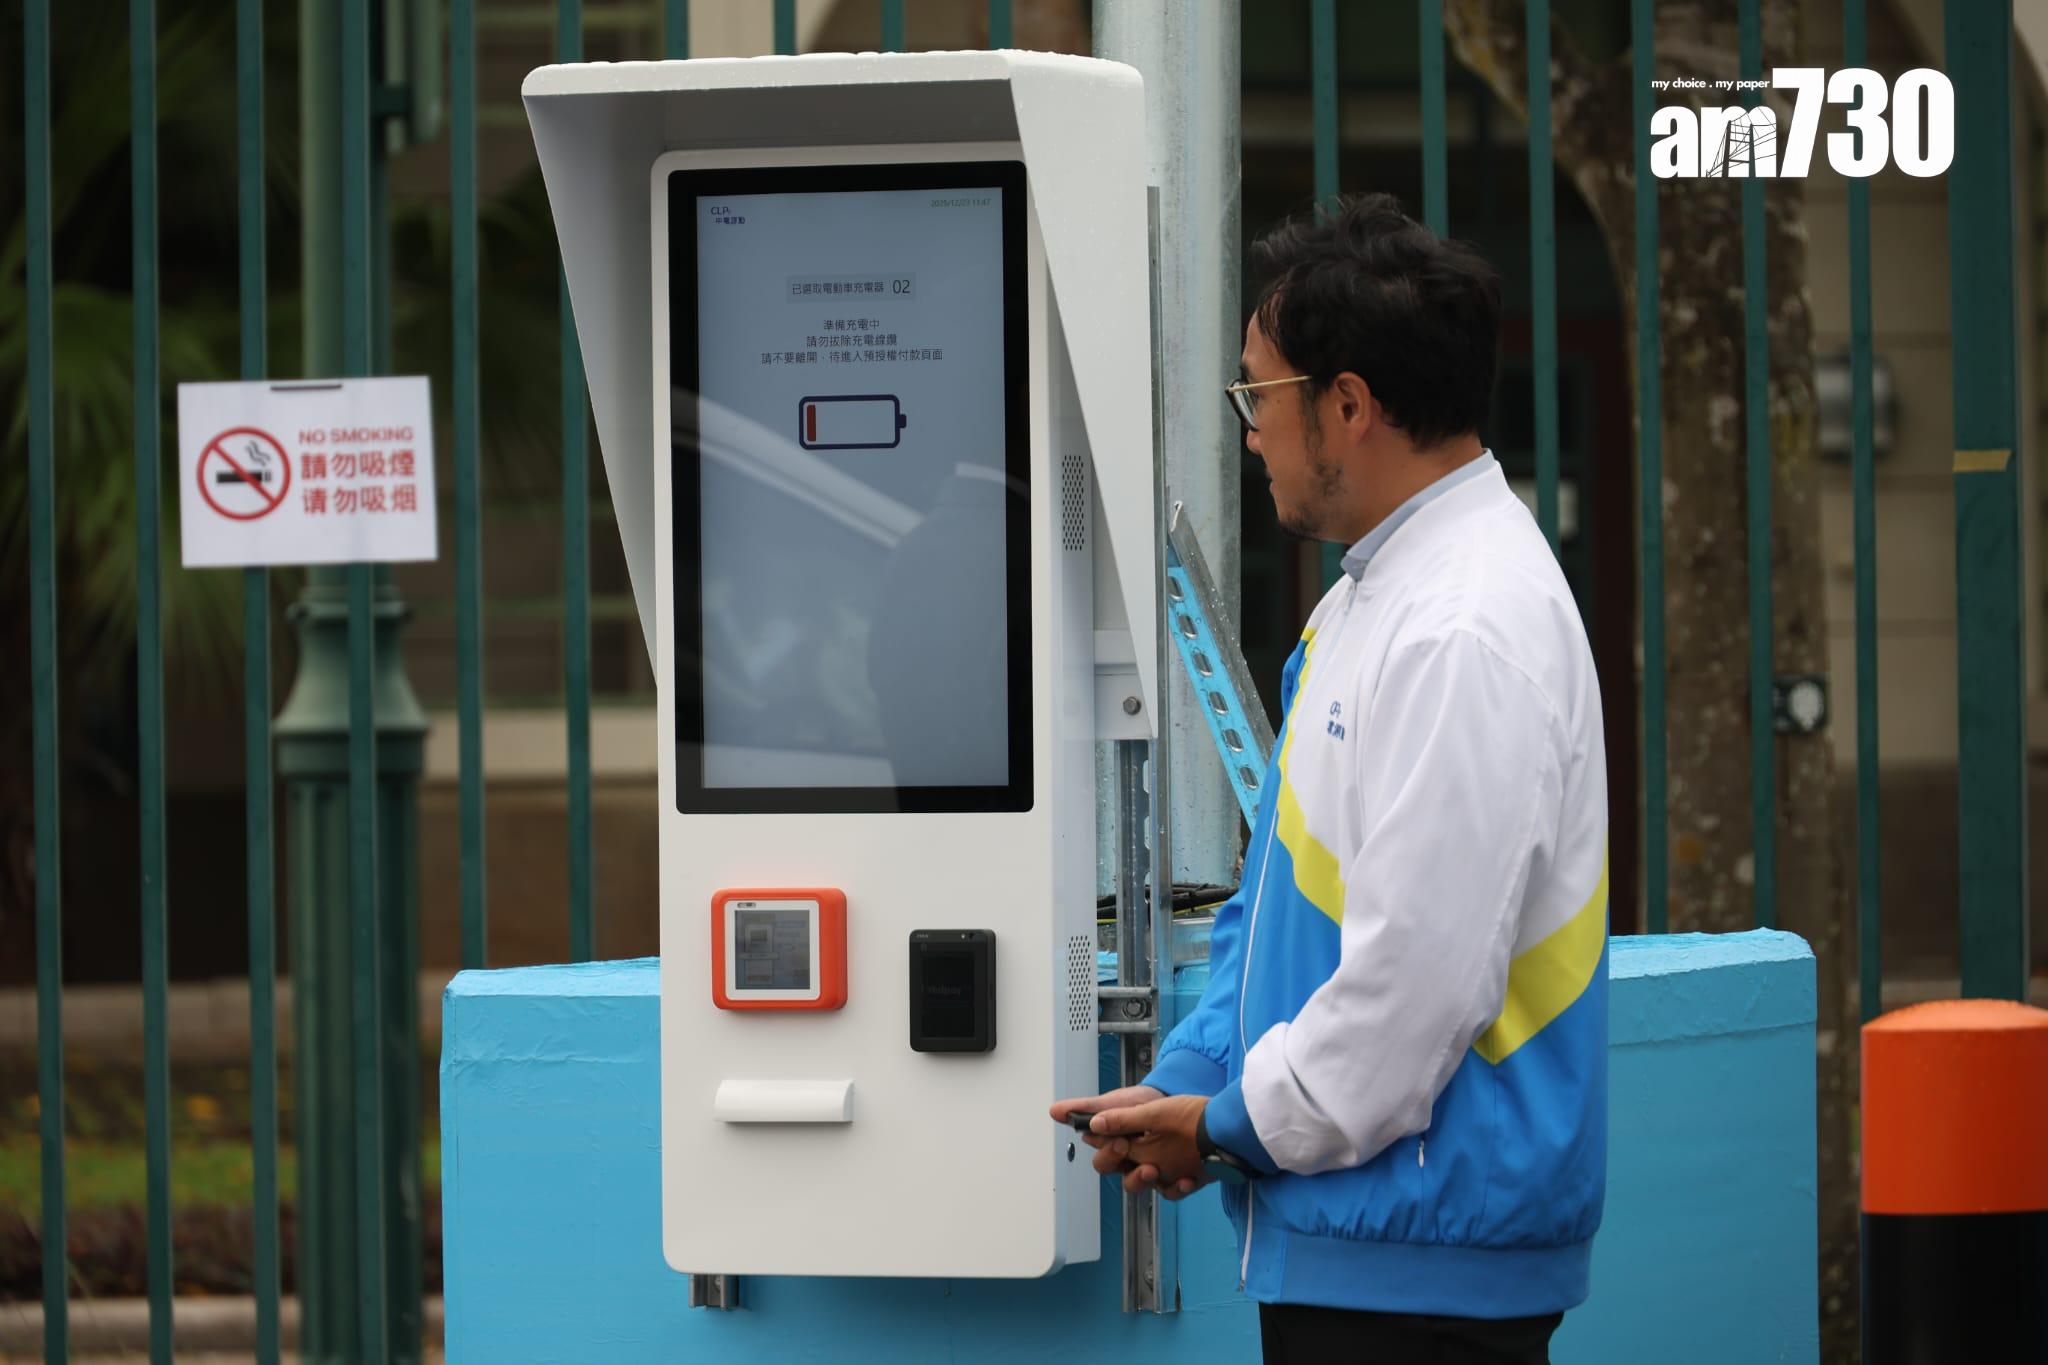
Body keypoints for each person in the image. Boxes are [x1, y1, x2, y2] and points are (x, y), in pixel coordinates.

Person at [1051, 193, 1609, 1365]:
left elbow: (1415, 984)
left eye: (1259, 395)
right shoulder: (1372, 600)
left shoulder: (1461, 629)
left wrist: (1230, 1127)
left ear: (1345, 405)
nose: (1247, 430)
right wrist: (1185, 1094)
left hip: (1422, 1273)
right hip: (1370, 1234)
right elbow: (1277, 920)